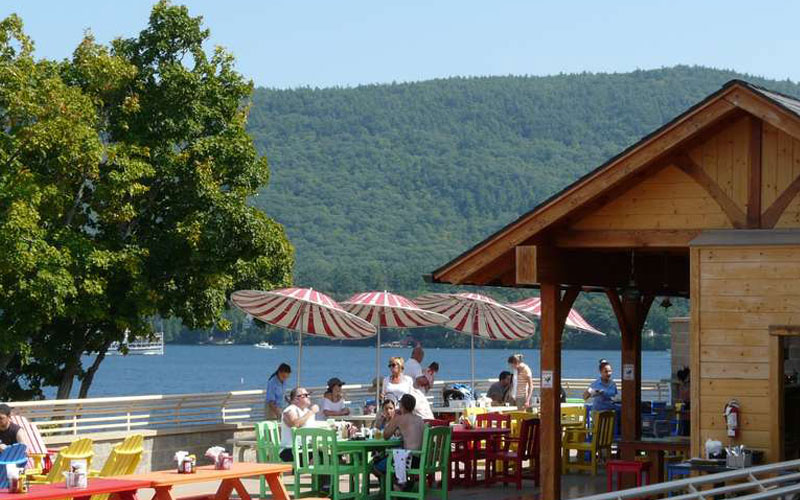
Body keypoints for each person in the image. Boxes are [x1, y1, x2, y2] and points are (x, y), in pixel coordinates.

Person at [373, 394, 424, 482]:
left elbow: (385, 436)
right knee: (391, 458)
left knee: (375, 466)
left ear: (401, 406)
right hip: (421, 459)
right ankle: (400, 485)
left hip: (409, 459)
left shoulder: (399, 419)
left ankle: (393, 486)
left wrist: (383, 421)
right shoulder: (420, 419)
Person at [279, 387, 320, 462]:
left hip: (306, 447)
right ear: (296, 399)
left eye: (308, 395)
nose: (309, 397)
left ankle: (320, 472)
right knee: (322, 456)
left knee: (331, 453)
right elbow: (295, 424)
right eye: (305, 395)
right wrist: (311, 412)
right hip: (290, 449)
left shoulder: (306, 411)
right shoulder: (290, 409)